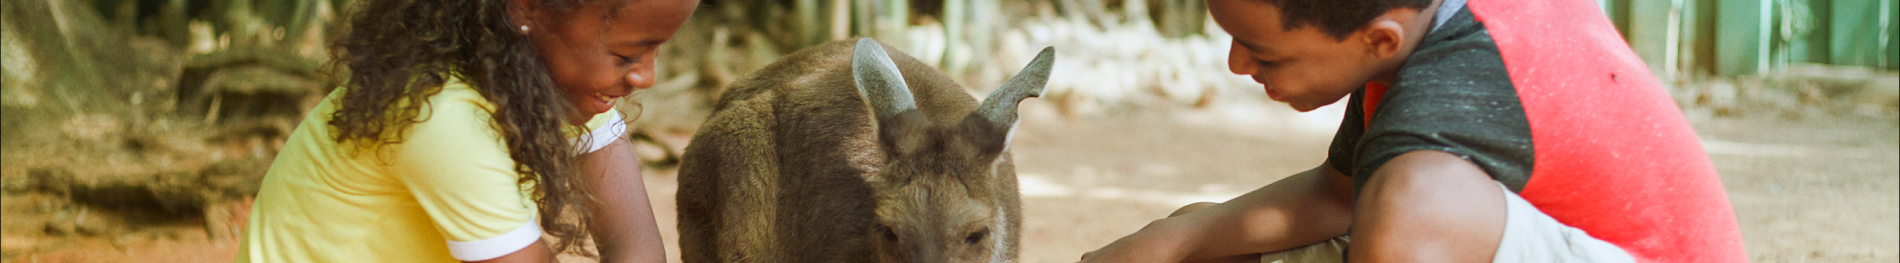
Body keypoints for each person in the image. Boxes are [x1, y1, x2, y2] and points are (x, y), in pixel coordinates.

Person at [1080, 0, 1746, 262]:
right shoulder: (1418, 36)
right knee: (1206, 240)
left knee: (1415, 203)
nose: (1236, 65)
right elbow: (1337, 195)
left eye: (1264, 52)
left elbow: (1401, 217)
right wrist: (1166, 241)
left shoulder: (1466, 76)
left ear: (1378, 38)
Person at [234, 0, 697, 262]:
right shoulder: (438, 114)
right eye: (627, 56)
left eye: (657, 51)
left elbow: (635, 247)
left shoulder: (562, 86)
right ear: (529, 7)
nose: (647, 78)